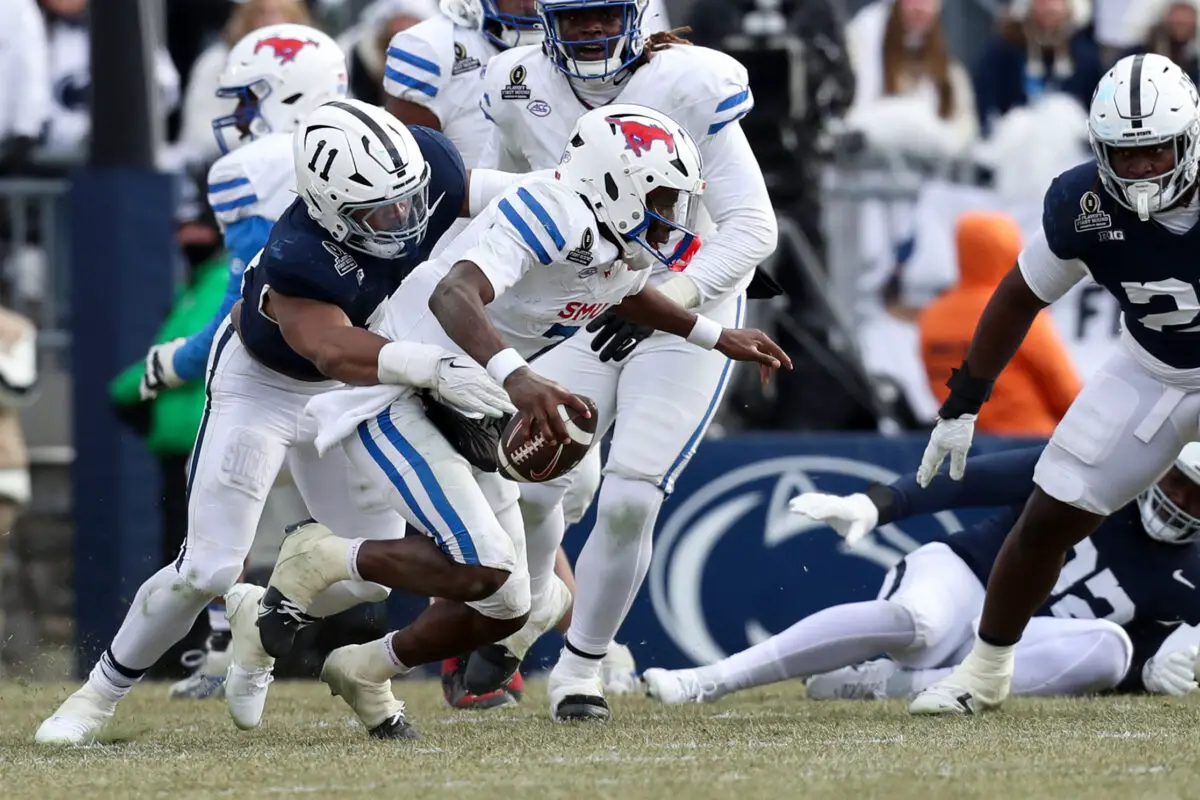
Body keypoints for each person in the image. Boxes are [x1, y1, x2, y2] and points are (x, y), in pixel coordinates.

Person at [238, 103, 789, 736]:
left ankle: (366, 668)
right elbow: (454, 293)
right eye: (662, 197)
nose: (674, 215)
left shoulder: (616, 241)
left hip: (468, 396)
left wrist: (713, 334)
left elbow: (618, 291)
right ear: (616, 184)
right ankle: (325, 556)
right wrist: (517, 376)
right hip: (399, 390)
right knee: (484, 568)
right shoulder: (554, 209)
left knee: (509, 606)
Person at [34, 97, 525, 746]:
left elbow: (513, 197)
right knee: (207, 567)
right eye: (380, 209)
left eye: (407, 200)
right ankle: (96, 698)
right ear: (328, 207)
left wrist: (579, 202)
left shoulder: (425, 164)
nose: (404, 219)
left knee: (365, 572)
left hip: (352, 392)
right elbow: (329, 347)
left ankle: (259, 613)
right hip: (267, 385)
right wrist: (429, 366)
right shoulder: (298, 252)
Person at [473, 0, 779, 723]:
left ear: (637, 14)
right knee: (537, 482)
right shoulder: (516, 85)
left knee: (630, 496)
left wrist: (666, 299)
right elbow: (503, 202)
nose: (585, 31)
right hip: (588, 300)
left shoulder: (688, 82)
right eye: (572, 18)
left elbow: (753, 226)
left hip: (691, 294)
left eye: (601, 14)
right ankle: (539, 603)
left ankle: (581, 667)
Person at [909, 52, 1200, 716]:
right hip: (1150, 370)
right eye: (1125, 155)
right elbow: (1018, 296)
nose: (1141, 169)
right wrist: (964, 401)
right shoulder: (1085, 202)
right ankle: (984, 672)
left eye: (1156, 151)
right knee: (1049, 517)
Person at [134, 22, 352, 702]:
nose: (232, 116)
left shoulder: (246, 172)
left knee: (224, 523)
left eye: (249, 98)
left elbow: (248, 299)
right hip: (370, 362)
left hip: (284, 371)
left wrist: (180, 359)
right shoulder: (371, 140)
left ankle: (233, 637)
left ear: (291, 96)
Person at [644, 443, 1200, 706]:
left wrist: (1149, 671)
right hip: (968, 580)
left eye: (1196, 496)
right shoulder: (1100, 468)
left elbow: (1135, 654)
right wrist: (876, 505)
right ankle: (709, 679)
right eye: (1177, 480)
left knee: (1110, 647)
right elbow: (970, 479)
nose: (1179, 501)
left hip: (1019, 650)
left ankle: (882, 685)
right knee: (921, 620)